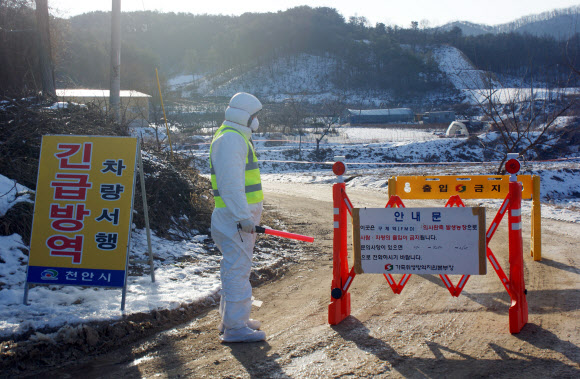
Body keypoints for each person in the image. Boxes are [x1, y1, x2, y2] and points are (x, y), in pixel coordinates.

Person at [209, 92, 266, 343]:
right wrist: (244, 217)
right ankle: (235, 328)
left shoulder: (233, 136)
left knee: (233, 268)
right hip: (235, 219)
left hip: (234, 218)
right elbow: (231, 185)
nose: (257, 121)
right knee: (237, 271)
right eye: (255, 116)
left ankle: (232, 319)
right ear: (245, 117)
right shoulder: (232, 140)